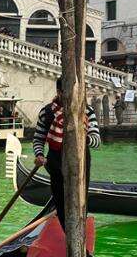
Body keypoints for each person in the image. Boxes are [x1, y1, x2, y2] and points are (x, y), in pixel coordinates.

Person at [31, 79, 101, 223]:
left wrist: (82, 138)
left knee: (80, 201)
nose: (71, 96)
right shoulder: (47, 112)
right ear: (59, 92)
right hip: (56, 162)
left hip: (81, 162)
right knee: (61, 203)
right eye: (67, 92)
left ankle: (78, 238)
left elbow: (96, 141)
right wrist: (39, 155)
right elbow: (38, 139)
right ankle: (67, 236)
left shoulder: (86, 111)